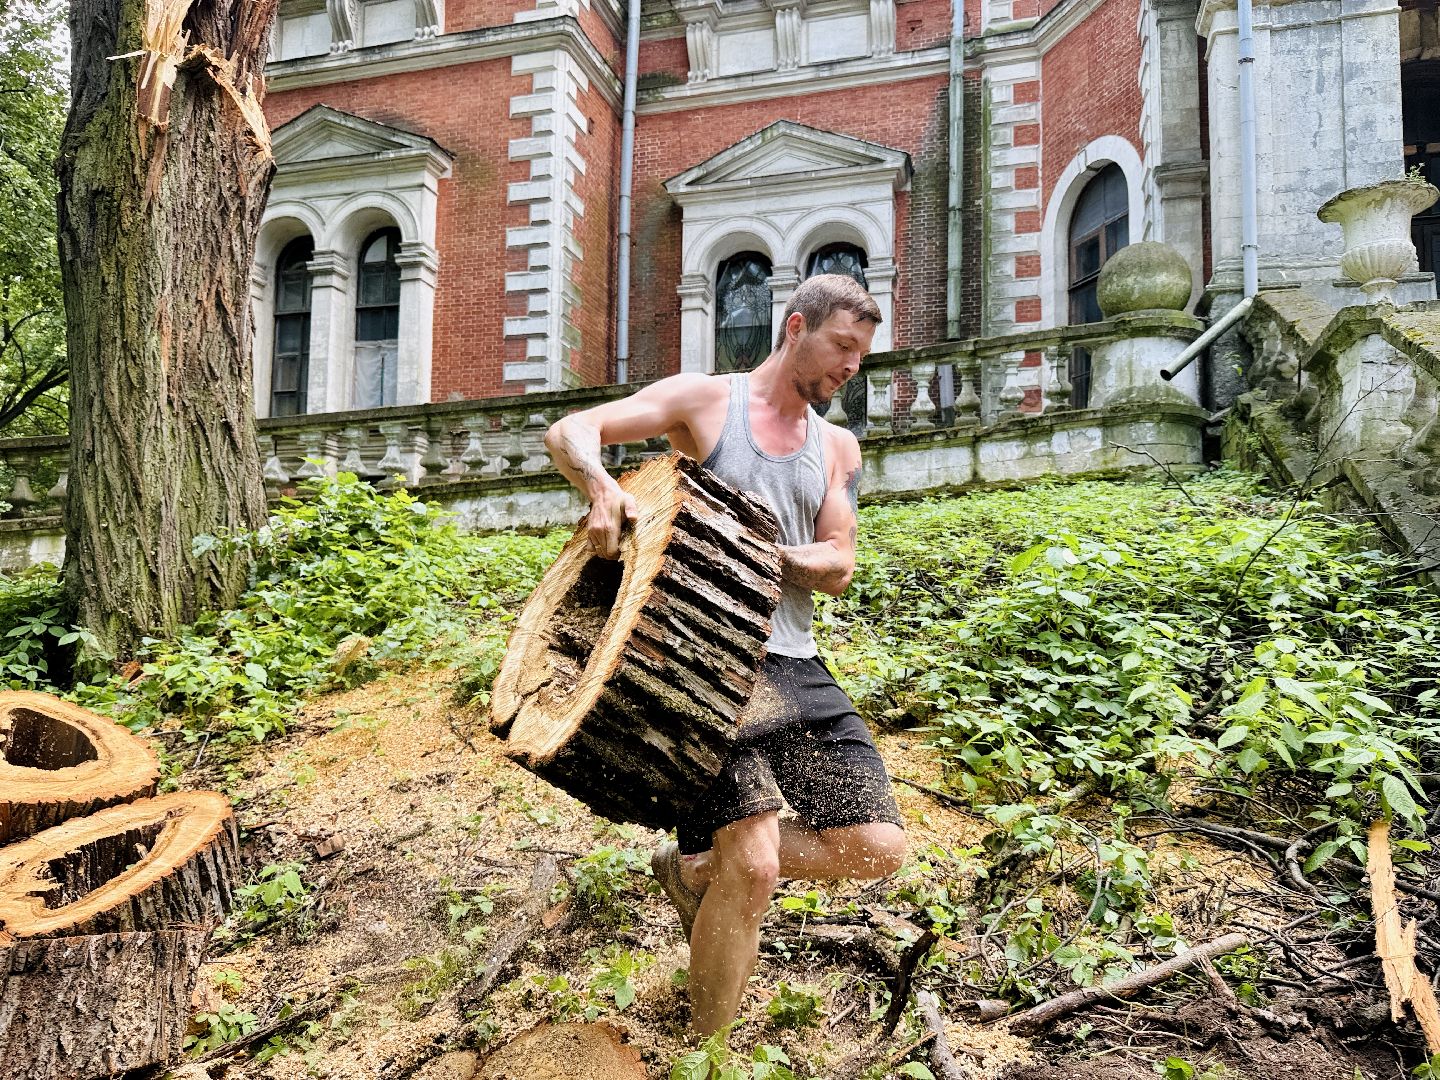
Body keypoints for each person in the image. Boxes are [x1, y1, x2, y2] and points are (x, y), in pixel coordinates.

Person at [542, 273, 907, 1035]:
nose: (851, 366)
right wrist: (602, 489)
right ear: (795, 327)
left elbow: (838, 564)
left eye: (861, 355)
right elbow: (572, 430)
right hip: (708, 668)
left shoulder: (836, 446)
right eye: (842, 346)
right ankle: (706, 1054)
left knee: (878, 847)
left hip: (798, 668)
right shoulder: (709, 402)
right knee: (758, 863)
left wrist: (752, 551)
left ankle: (691, 871)